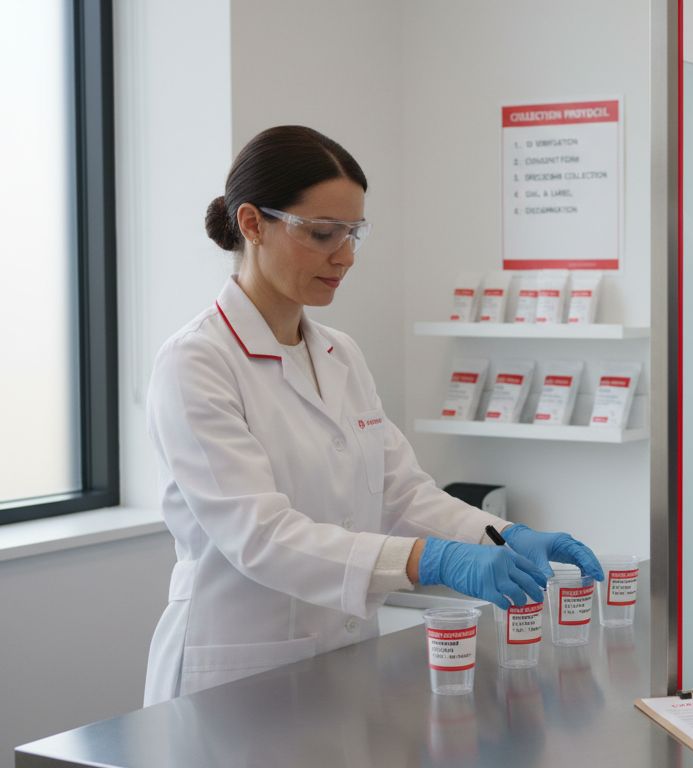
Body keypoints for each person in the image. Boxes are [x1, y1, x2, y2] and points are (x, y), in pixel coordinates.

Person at [144, 125, 604, 705]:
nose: (346, 256)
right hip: (235, 676)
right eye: (322, 233)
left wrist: (503, 536)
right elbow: (259, 536)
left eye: (353, 233)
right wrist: (429, 559)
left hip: (341, 662)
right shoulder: (196, 362)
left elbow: (402, 494)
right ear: (253, 224)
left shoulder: (340, 353)